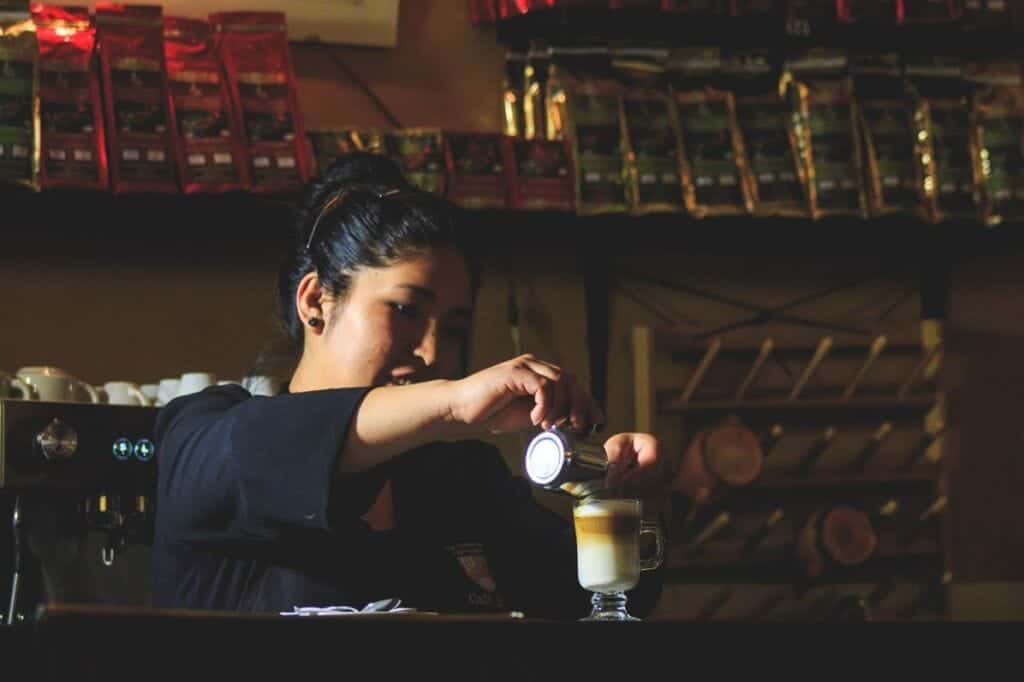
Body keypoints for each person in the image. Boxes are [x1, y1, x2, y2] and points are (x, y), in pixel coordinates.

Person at [151, 152, 668, 619]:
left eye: (456, 329)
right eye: (404, 311)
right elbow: (262, 450)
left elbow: (606, 603)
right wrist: (455, 400)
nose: (433, 353)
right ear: (315, 302)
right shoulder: (205, 435)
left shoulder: (459, 481)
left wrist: (618, 501)